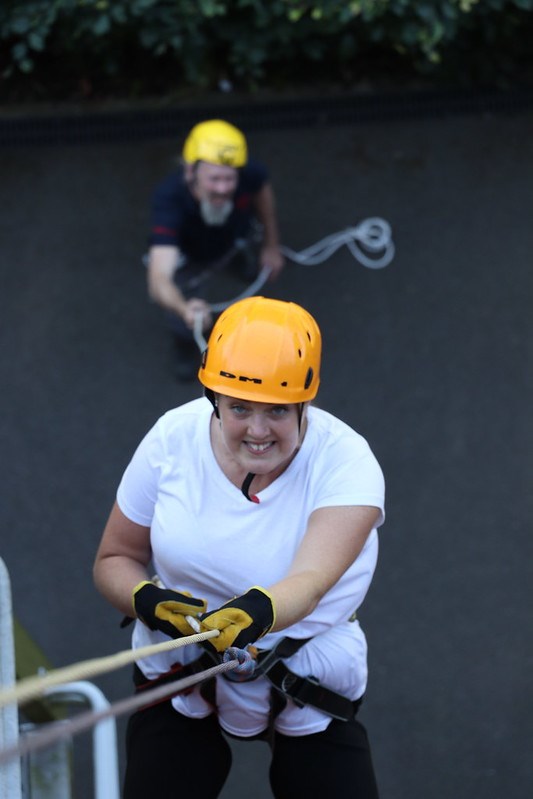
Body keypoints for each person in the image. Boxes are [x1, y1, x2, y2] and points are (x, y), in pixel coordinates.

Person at [93, 296, 385, 798]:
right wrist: (147, 601)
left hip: (305, 665)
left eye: (277, 411)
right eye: (239, 408)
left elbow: (311, 581)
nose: (257, 430)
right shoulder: (172, 440)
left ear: (304, 404)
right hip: (184, 660)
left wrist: (260, 611)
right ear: (213, 399)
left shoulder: (346, 463)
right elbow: (114, 559)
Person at [146, 119, 285, 380]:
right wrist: (184, 308)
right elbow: (158, 279)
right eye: (214, 179)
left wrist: (271, 243)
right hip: (190, 255)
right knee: (184, 312)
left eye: (229, 178)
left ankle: (238, 261)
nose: (223, 188)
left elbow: (263, 196)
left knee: (242, 257)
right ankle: (187, 344)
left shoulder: (249, 172)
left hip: (232, 239)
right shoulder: (169, 199)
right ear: (190, 172)